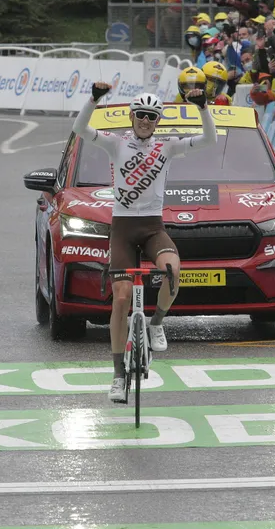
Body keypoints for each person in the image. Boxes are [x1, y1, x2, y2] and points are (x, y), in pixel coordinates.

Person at [71, 84, 216, 403]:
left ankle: (156, 323)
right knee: (121, 299)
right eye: (141, 115)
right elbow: (80, 129)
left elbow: (209, 139)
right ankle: (117, 376)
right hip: (123, 229)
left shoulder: (167, 147)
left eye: (152, 116)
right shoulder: (115, 143)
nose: (146, 121)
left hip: (152, 227)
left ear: (158, 120)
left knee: (173, 271)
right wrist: (93, 99)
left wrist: (203, 108)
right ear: (132, 116)